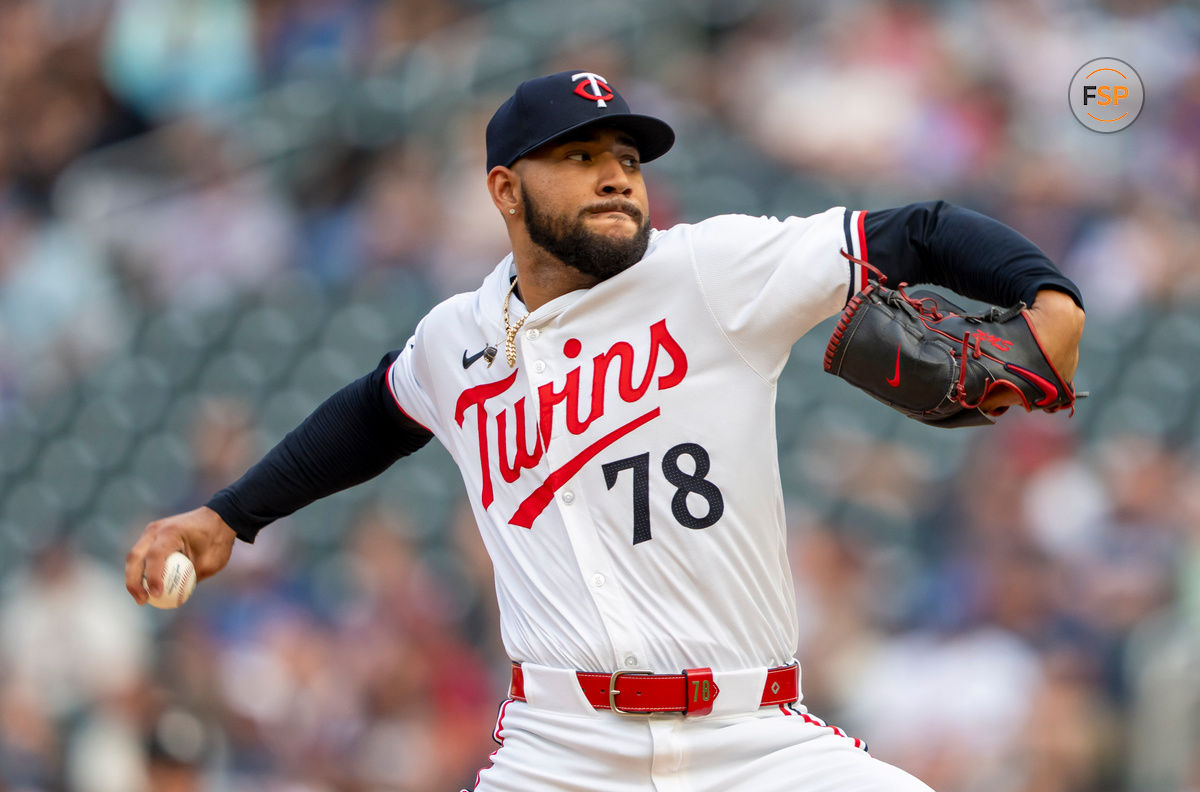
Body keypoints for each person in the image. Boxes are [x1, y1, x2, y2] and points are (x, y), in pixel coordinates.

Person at [126, 70, 1085, 791]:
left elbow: (914, 228)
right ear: (506, 191)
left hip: (753, 740)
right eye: (580, 158)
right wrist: (228, 518)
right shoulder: (455, 336)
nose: (617, 178)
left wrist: (1046, 294)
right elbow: (375, 413)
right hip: (560, 750)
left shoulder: (711, 271)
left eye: (627, 159)